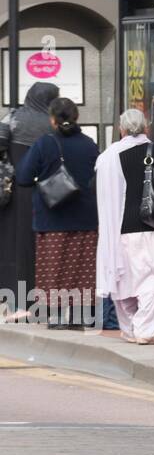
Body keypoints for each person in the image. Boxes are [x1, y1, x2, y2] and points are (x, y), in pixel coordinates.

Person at [94, 110, 154, 344]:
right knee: (153, 280)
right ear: (146, 128)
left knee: (124, 282)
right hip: (153, 227)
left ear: (121, 129)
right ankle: (144, 329)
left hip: (120, 230)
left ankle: (129, 329)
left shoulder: (108, 157)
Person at [14, 96, 100, 328]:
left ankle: (58, 317)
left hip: (51, 218)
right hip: (85, 217)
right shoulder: (89, 144)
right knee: (83, 269)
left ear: (52, 120)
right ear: (76, 117)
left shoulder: (44, 143)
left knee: (54, 269)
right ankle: (82, 317)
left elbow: (22, 177)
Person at [0, 82, 60, 300]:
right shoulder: (53, 124)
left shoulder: (13, 118)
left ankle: (13, 293)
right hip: (49, 192)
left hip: (14, 190)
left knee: (11, 240)